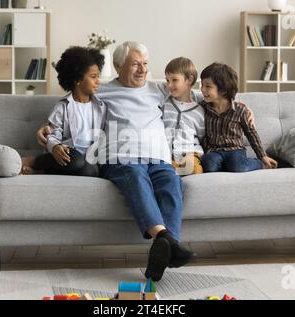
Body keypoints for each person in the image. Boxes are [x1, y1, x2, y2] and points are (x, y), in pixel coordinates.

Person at [37, 42, 197, 281]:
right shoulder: (102, 90)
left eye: (145, 63)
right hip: (121, 158)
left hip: (159, 158)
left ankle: (164, 249)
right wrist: (47, 129)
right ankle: (168, 242)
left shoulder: (159, 90)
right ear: (118, 65)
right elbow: (73, 103)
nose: (142, 69)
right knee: (135, 178)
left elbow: (195, 94)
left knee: (172, 184)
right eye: (135, 64)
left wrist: (232, 104)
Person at [22, 46, 106, 177]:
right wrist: (55, 147)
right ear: (77, 79)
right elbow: (52, 134)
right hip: (67, 154)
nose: (98, 81)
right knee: (76, 161)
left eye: (98, 76)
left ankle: (41, 172)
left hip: (87, 159)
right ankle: (35, 161)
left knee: (91, 171)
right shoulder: (62, 107)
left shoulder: (100, 106)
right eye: (93, 77)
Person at [200, 63, 278, 173]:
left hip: (235, 150)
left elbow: (251, 134)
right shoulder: (203, 107)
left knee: (237, 167)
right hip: (214, 150)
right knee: (209, 165)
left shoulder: (240, 110)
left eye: (208, 86)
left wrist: (263, 156)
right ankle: (225, 165)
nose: (202, 89)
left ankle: (259, 164)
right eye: (202, 85)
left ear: (223, 90)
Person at [162, 57, 205, 176]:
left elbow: (201, 136)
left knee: (195, 170)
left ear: (189, 79)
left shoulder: (199, 111)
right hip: (167, 154)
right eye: (167, 80)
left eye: (174, 80)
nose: (169, 85)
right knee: (165, 173)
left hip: (190, 153)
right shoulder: (164, 104)